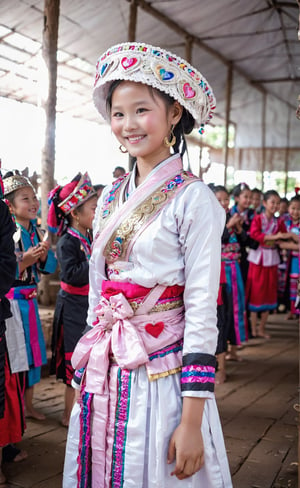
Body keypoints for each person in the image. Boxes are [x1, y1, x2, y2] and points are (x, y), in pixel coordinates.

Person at [63, 42, 232, 487]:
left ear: (174, 113)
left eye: (142, 110)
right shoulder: (110, 198)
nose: (129, 125)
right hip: (109, 364)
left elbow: (201, 310)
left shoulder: (195, 200)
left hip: (164, 376)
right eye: (118, 114)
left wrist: (192, 420)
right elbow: (100, 293)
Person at [3, 171, 57, 420]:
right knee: (17, 356)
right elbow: (7, 268)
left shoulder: (37, 231)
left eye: (34, 197)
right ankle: (17, 408)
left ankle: (29, 405)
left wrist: (44, 256)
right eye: (25, 198)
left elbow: (50, 267)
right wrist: (23, 262)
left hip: (31, 301)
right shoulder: (9, 233)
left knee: (35, 354)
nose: (33, 202)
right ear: (10, 206)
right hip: (13, 304)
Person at [47, 173, 97, 427]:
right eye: (93, 208)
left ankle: (81, 411)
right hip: (72, 309)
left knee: (86, 361)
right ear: (75, 214)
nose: (97, 213)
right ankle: (68, 415)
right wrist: (95, 260)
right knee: (74, 365)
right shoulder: (67, 241)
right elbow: (72, 276)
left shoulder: (87, 237)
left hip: (85, 307)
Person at [0, 178, 27, 484]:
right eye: (25, 197)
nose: (32, 203)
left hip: (13, 307)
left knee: (13, 377)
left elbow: (8, 269)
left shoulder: (4, 220)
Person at [246, 190, 292, 338]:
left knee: (269, 293)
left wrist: (286, 237)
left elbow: (283, 238)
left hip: (271, 259)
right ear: (265, 203)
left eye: (278, 203)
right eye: (273, 202)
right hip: (258, 260)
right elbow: (254, 234)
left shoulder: (279, 222)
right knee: (255, 294)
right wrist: (275, 236)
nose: (276, 205)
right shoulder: (258, 218)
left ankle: (261, 329)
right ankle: (253, 329)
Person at [214, 186, 247, 377]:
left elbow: (246, 241)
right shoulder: (210, 219)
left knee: (230, 312)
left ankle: (229, 356)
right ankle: (219, 366)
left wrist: (238, 226)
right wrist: (229, 225)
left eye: (226, 200)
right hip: (219, 273)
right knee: (220, 317)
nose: (223, 203)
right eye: (219, 199)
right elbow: (215, 238)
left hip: (229, 274)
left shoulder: (233, 218)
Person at [280, 196, 300, 318]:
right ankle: (292, 310)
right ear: (288, 208)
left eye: (299, 209)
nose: (296, 211)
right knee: (293, 285)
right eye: (293, 208)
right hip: (290, 261)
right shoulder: (285, 223)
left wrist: (291, 244)